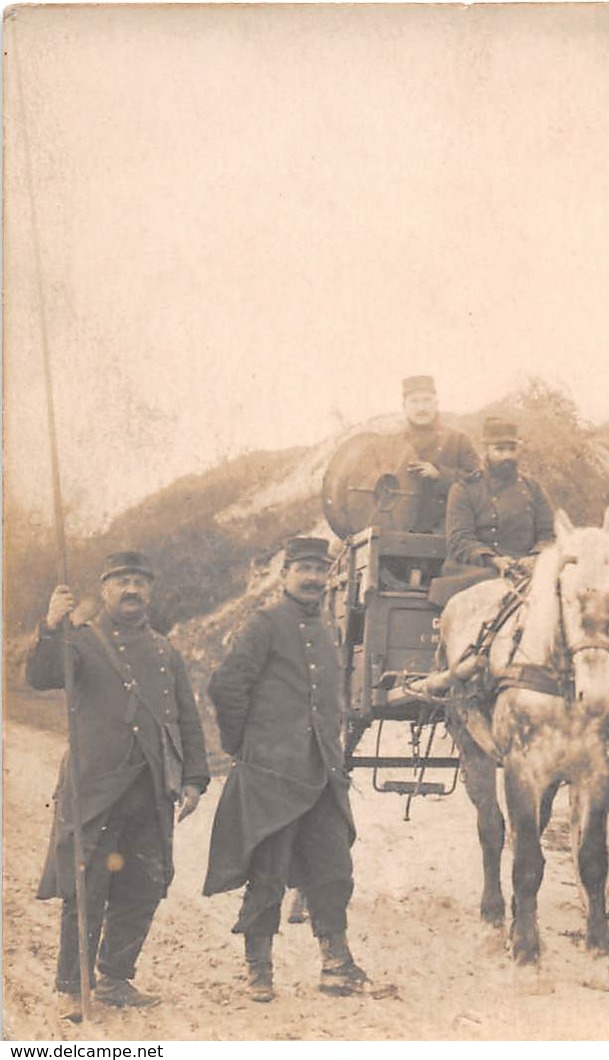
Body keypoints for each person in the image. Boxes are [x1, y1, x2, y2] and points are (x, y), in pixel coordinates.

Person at [26, 553, 209, 1021]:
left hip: (149, 788)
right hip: (94, 787)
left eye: (140, 582)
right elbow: (41, 676)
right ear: (104, 589)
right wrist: (50, 625)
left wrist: (192, 779)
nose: (132, 590)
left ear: (150, 591)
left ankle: (114, 977)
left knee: (144, 883)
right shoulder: (81, 642)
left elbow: (186, 718)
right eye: (122, 581)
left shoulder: (166, 653)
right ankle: (72, 986)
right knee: (85, 887)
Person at [203, 537, 368, 1002]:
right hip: (271, 776)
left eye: (320, 570)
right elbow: (226, 686)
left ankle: (336, 963)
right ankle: (259, 971)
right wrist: (245, 745)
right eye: (304, 569)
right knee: (268, 872)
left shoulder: (327, 629)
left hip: (320, 776)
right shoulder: (263, 624)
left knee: (334, 867)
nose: (314, 578)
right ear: (285, 575)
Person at [429, 416, 556, 607]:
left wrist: (535, 557)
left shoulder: (532, 488)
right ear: (486, 451)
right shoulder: (465, 489)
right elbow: (460, 539)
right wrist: (493, 560)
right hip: (477, 570)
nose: (507, 456)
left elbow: (549, 535)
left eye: (511, 449)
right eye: (499, 449)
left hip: (526, 570)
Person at [397, 374, 478, 535]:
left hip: (448, 533)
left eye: (426, 400)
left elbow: (479, 482)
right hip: (401, 533)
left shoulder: (458, 440)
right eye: (414, 401)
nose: (421, 408)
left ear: (436, 404)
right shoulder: (393, 445)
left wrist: (441, 476)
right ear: (404, 406)